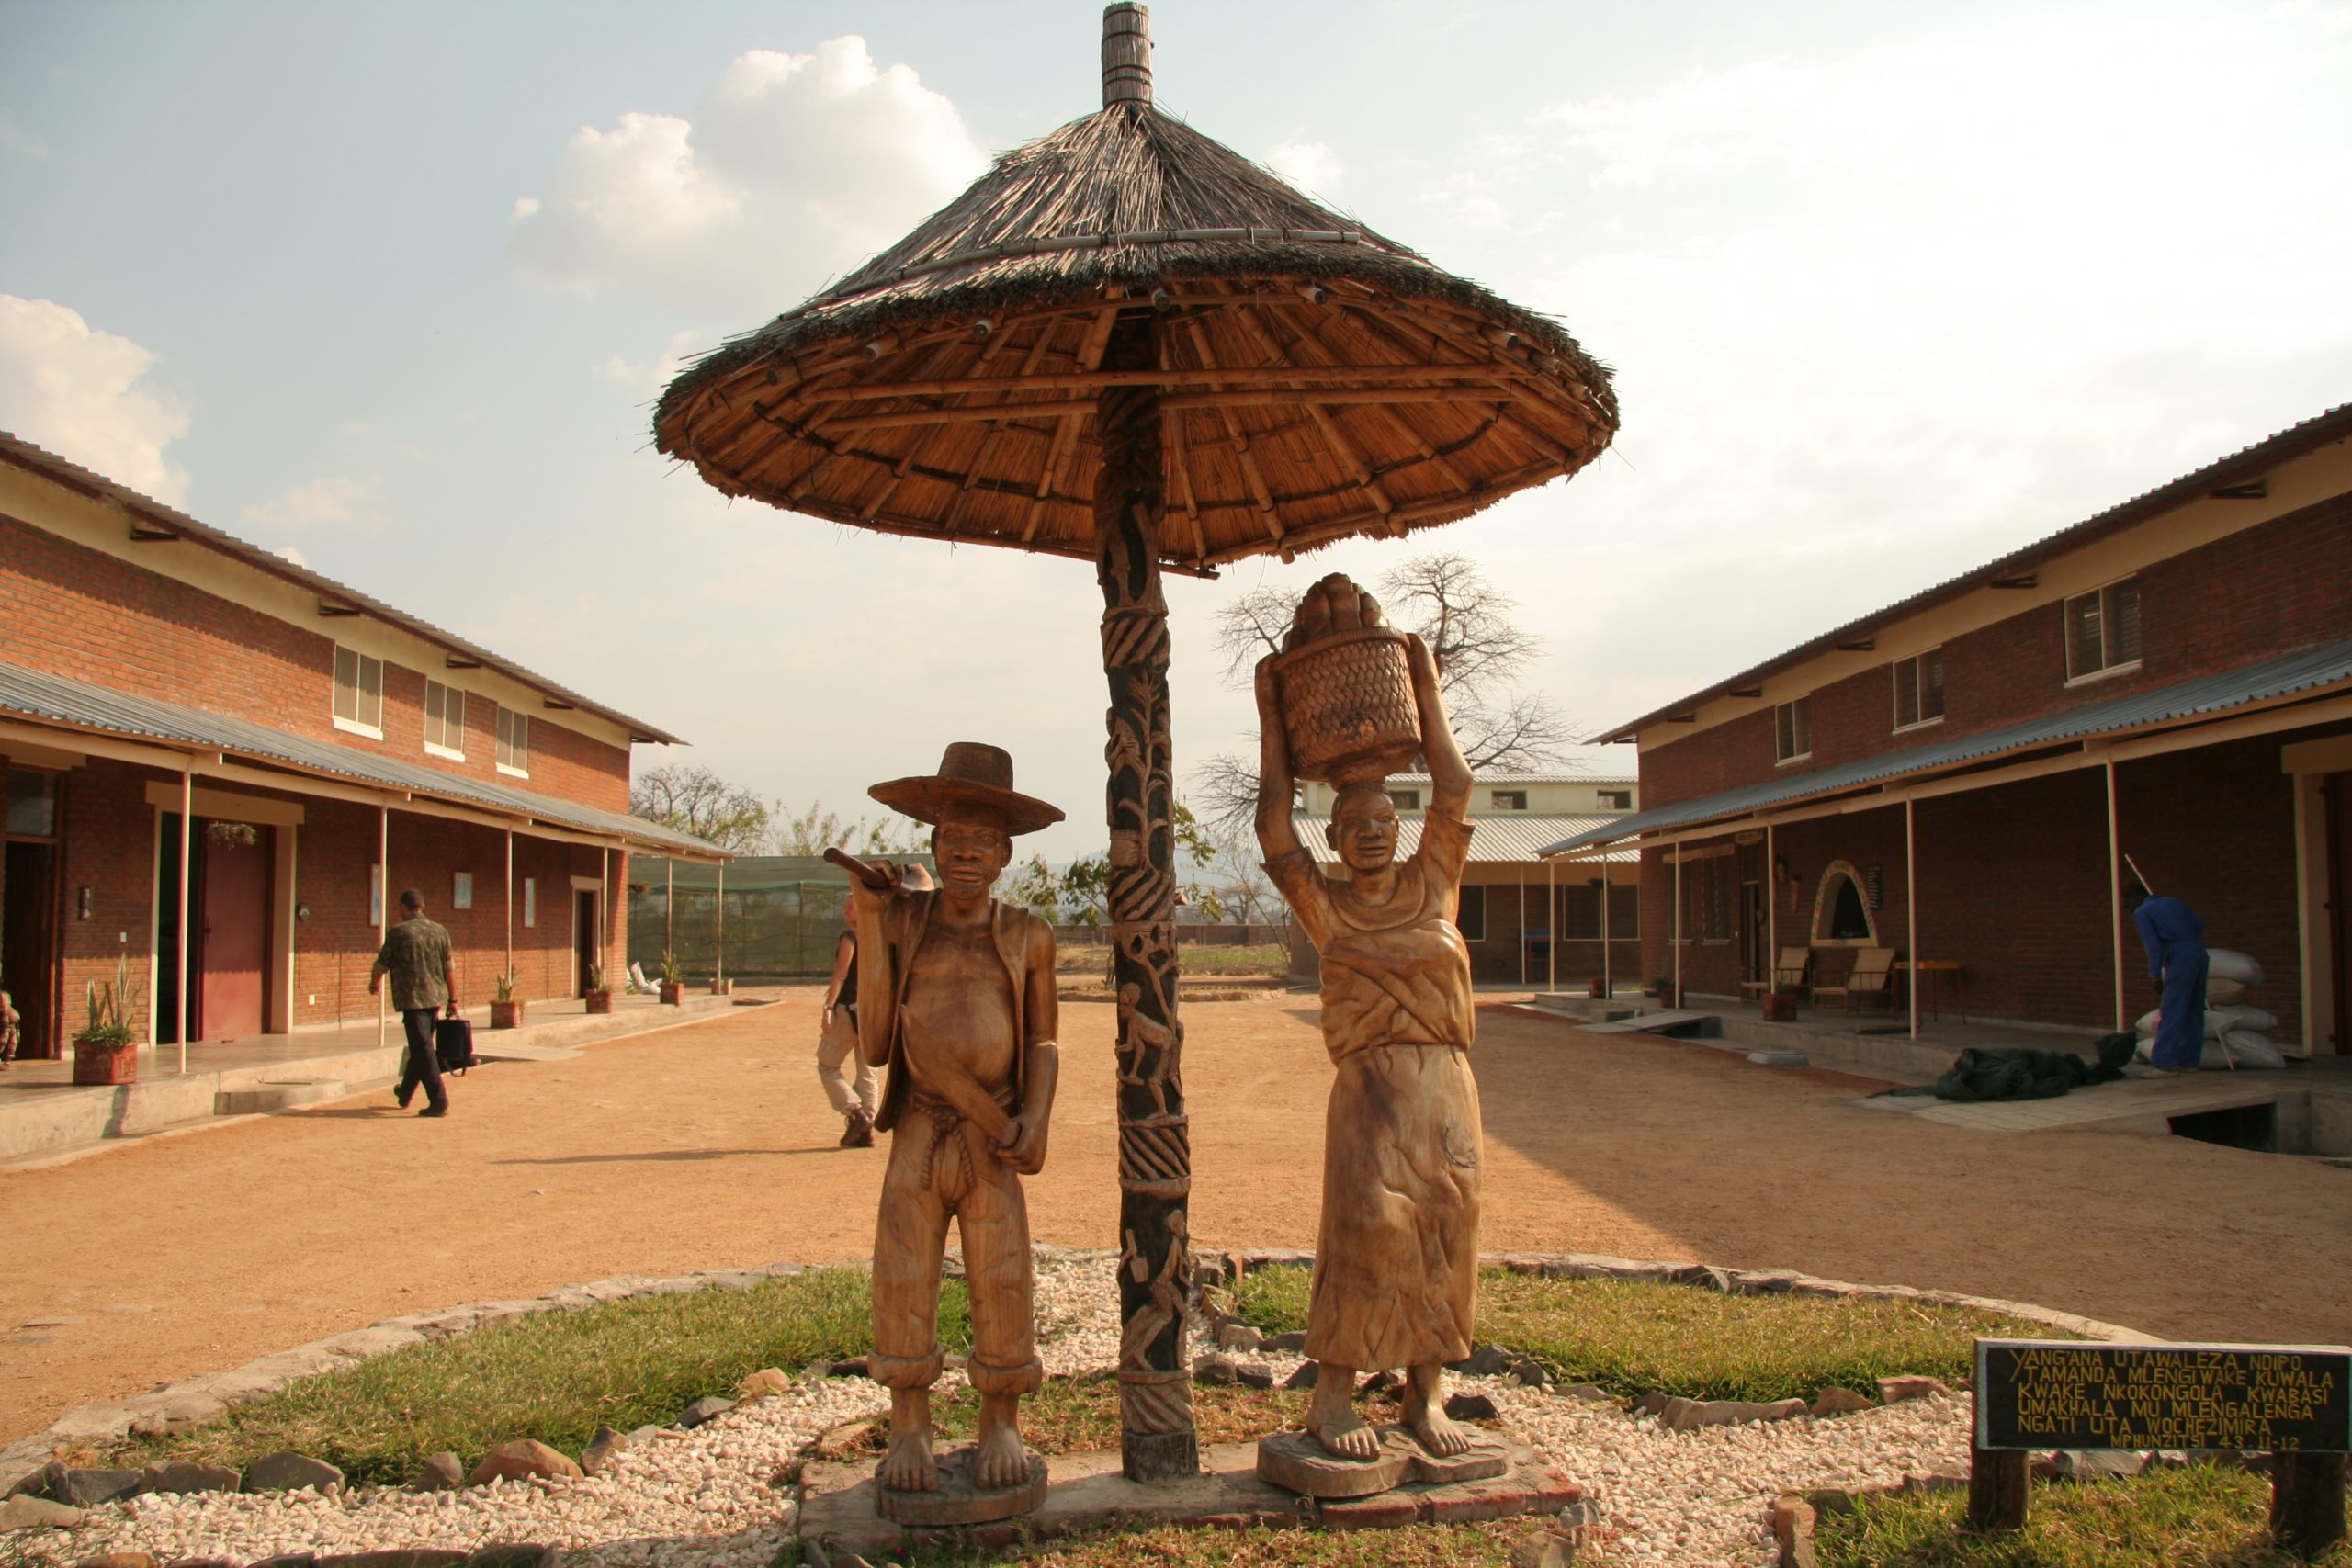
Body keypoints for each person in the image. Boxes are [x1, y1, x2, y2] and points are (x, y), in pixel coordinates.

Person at [1254, 628, 1482, 1462]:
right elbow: (1273, 828)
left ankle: (1426, 1392)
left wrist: (1426, 686)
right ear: (1337, 839)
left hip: (1445, 1082)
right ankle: (1334, 1394)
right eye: (1353, 825)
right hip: (1370, 1091)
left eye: (1384, 820)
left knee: (1447, 1224)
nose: (1372, 833)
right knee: (1365, 1226)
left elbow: (1456, 786)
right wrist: (1272, 719)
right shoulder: (1329, 908)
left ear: (1402, 825)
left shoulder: (1434, 881)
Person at [851, 742, 1062, 1495]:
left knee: (1002, 1271)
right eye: (953, 839)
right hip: (918, 1122)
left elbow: (1043, 1038)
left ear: (1006, 854)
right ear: (934, 846)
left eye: (982, 841)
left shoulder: (1029, 933)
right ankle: (909, 1423)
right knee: (904, 1267)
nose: (967, 853)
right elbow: (876, 1043)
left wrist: (1037, 1113)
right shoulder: (903, 920)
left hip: (990, 1127)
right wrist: (870, 921)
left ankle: (1000, 1419)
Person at [820, 862, 934, 1147]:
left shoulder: (850, 938)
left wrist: (828, 1008)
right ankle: (865, 1126)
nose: (847, 912)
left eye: (852, 907)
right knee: (867, 1070)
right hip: (872, 1012)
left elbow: (841, 975)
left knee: (827, 1065)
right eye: (846, 908)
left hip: (848, 1011)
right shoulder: (883, 936)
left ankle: (855, 1112)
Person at [370, 887, 458, 1116]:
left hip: (412, 1000)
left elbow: (382, 964)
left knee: (423, 1049)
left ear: (403, 907)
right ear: (422, 907)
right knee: (422, 1047)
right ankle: (405, 1091)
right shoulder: (440, 931)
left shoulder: (398, 932)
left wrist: (374, 983)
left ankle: (439, 1102)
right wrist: (453, 999)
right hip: (435, 998)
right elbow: (449, 969)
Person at [2131, 883, 2208, 1074]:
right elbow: (2199, 926)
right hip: (2199, 953)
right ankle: (2190, 1061)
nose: (2126, 906)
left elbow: (2153, 947)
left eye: (2126, 902)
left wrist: (2155, 975)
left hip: (2180, 958)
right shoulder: (2174, 902)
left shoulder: (2142, 912)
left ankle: (2165, 1063)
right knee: (2194, 1010)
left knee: (2172, 1009)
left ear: (2134, 898)